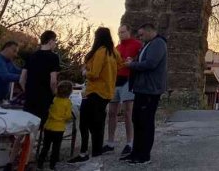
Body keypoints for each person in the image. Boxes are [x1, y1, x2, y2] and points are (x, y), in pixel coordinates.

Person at [69, 27, 119, 164]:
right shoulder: (113, 52)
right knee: (99, 123)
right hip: (108, 92)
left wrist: (85, 72)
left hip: (95, 91)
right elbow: (121, 66)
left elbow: (94, 73)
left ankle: (84, 152)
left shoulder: (100, 52)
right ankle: (96, 150)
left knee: (84, 123)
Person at [124, 23, 168, 165]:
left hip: (150, 90)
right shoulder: (148, 44)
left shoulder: (158, 44)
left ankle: (144, 155)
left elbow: (150, 64)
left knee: (146, 122)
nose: (140, 38)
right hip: (142, 89)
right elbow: (143, 61)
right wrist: (134, 61)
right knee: (137, 120)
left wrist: (132, 65)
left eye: (142, 35)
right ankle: (136, 152)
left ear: (150, 32)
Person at [104, 24, 143, 155]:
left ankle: (130, 143)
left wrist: (133, 61)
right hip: (116, 81)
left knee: (128, 112)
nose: (121, 34)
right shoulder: (117, 48)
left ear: (129, 32)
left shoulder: (137, 45)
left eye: (123, 32)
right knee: (111, 112)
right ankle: (110, 143)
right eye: (119, 32)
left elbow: (142, 60)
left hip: (129, 80)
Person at [21, 30, 60, 124]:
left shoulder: (31, 56)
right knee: (38, 126)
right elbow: (53, 81)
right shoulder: (54, 57)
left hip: (30, 96)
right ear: (50, 41)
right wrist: (55, 93)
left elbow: (22, 78)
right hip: (44, 98)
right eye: (55, 41)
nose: (55, 44)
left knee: (27, 125)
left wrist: (26, 91)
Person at [38, 80, 73, 170]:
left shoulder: (53, 99)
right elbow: (68, 116)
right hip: (59, 128)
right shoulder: (67, 102)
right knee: (56, 148)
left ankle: (40, 163)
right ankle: (52, 165)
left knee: (45, 146)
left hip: (48, 126)